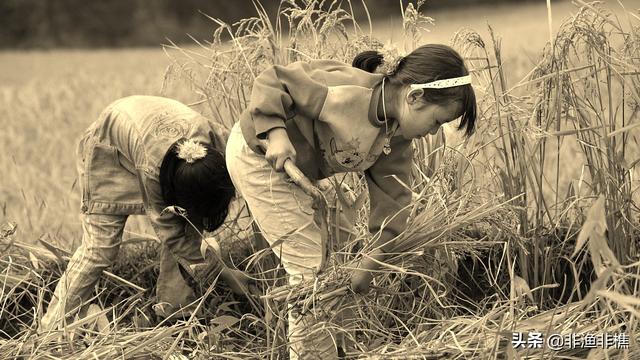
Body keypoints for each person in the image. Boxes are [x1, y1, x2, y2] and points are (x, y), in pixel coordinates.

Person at [225, 44, 477, 358]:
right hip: (258, 155)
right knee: (308, 271)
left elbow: (394, 201)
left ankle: (335, 347)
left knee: (337, 255)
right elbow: (275, 80)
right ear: (415, 97)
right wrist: (275, 133)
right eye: (437, 121)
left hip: (301, 173)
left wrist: (370, 263)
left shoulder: (394, 139)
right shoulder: (346, 91)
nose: (432, 132)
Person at [40, 95, 247, 332]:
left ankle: (176, 314)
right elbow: (170, 233)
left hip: (147, 141)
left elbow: (246, 161)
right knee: (100, 248)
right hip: (107, 148)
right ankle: (50, 329)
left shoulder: (218, 142)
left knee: (188, 227)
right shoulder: (153, 171)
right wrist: (224, 274)